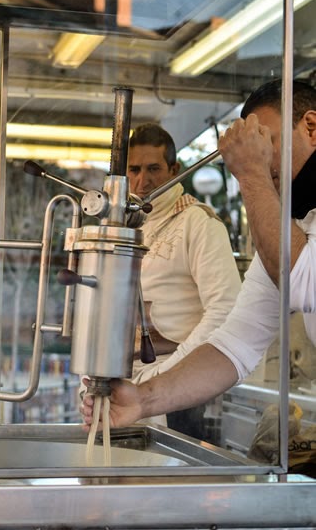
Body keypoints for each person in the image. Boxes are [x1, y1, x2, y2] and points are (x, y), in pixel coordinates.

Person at [83, 80, 316, 430]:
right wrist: (143, 398)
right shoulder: (299, 223)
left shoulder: (203, 220)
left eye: (268, 142)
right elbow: (235, 341)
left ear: (311, 127)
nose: (264, 158)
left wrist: (251, 173)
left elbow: (304, 284)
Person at [121, 123, 242, 436]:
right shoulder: (128, 224)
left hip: (176, 389)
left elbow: (225, 310)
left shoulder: (199, 223)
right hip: (124, 383)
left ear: (174, 169)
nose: (142, 181)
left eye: (153, 169)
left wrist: (170, 373)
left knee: (170, 481)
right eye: (134, 169)